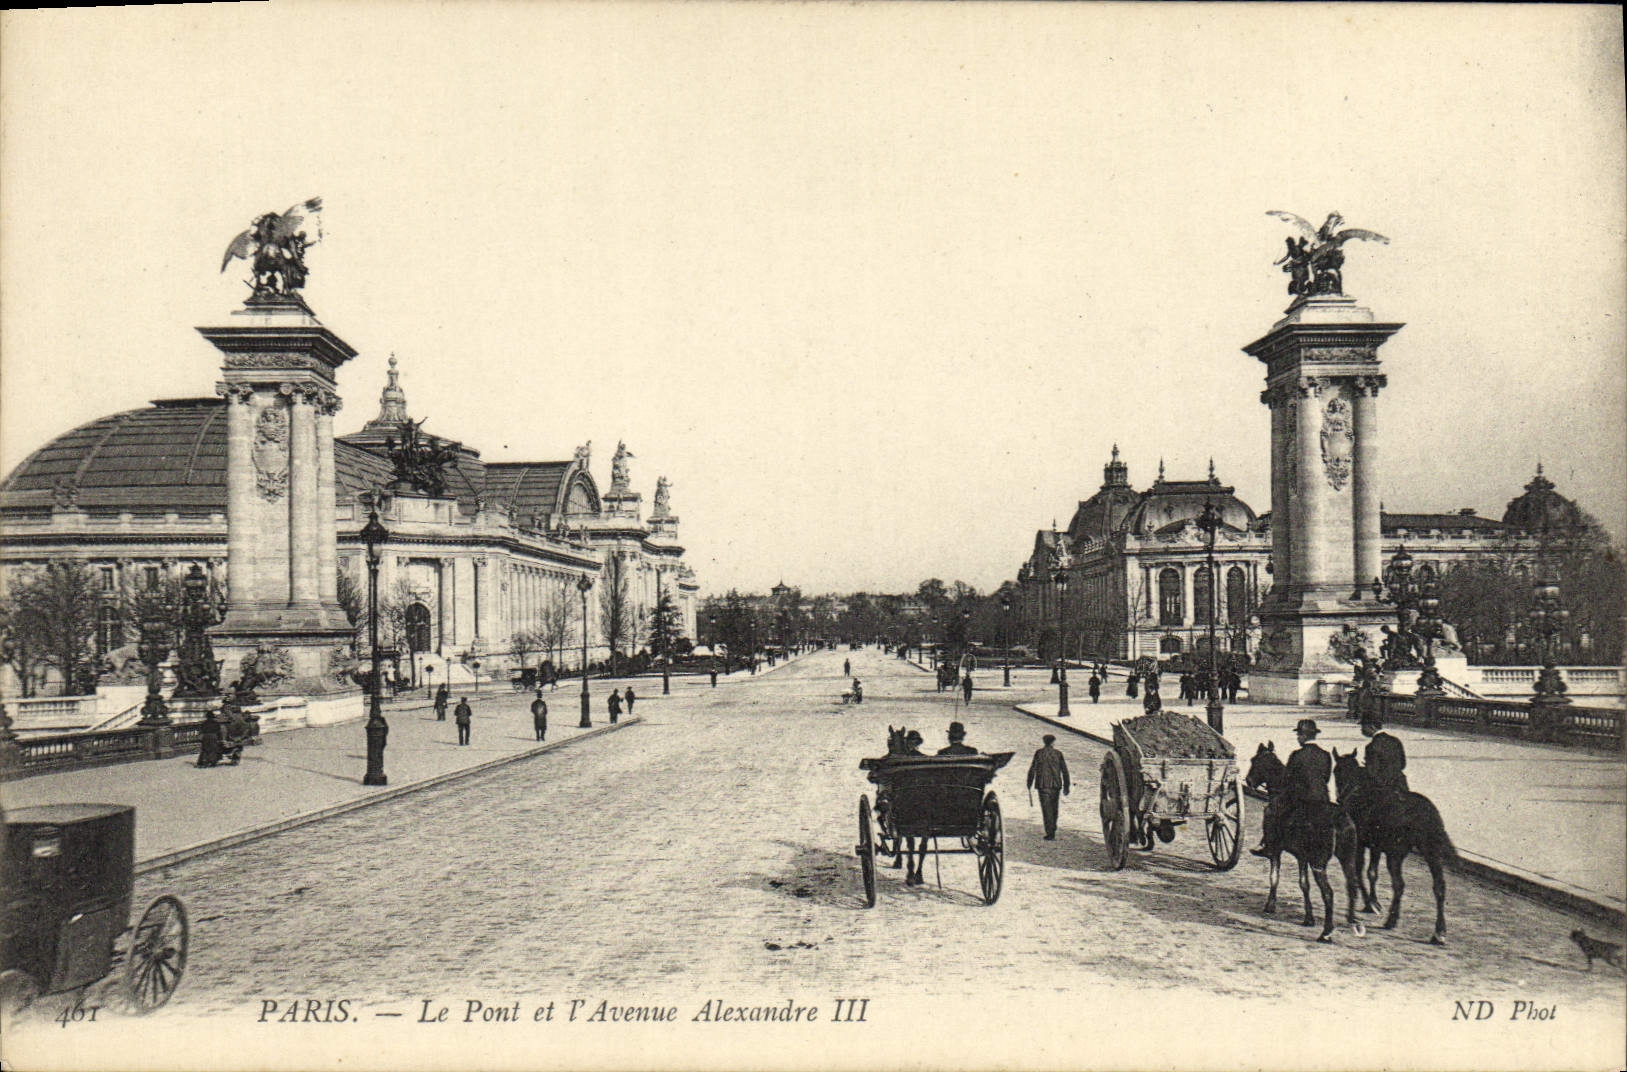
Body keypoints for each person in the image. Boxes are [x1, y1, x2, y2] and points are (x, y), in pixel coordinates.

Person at [1254, 717, 1331, 857]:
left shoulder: (1297, 755)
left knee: (1270, 811)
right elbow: (1326, 778)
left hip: (1302, 800)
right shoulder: (1326, 755)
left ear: (1304, 736)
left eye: (1298, 735)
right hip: (1323, 799)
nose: (1297, 738)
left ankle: (1268, 846)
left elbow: (1287, 779)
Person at [1026, 734, 1071, 839]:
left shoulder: (1039, 753)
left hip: (1043, 785)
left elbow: (1033, 769)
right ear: (1053, 742)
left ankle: (1050, 832)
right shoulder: (1058, 754)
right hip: (1056, 785)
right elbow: (1065, 771)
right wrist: (1066, 786)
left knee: (1046, 810)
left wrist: (1029, 783)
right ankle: (1052, 830)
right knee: (1054, 808)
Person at [1361, 714, 1409, 795]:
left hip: (1381, 788)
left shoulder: (1371, 746)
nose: (1361, 730)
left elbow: (1372, 772)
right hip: (1400, 784)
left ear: (1371, 727)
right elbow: (1403, 764)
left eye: (1363, 726)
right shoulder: (1395, 740)